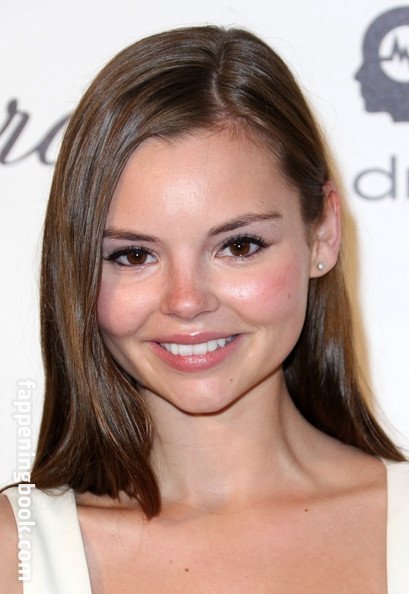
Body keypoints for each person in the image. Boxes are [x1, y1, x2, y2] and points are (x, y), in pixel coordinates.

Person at [1, 25, 408, 593]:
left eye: (238, 246)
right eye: (134, 255)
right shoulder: (15, 555)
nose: (187, 301)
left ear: (323, 233)